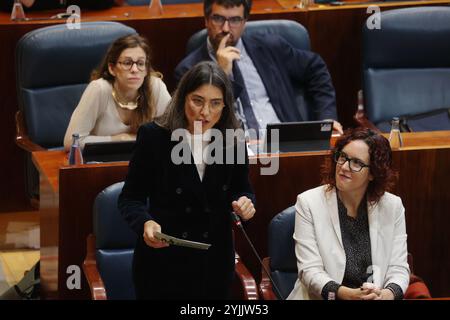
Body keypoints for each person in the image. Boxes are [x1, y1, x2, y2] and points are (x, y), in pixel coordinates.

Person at [118, 61, 256, 299]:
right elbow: (130, 198)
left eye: (216, 103)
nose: (205, 113)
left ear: (225, 105)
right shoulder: (155, 136)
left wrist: (245, 204)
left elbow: (242, 190)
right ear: (183, 97)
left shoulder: (233, 138)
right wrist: (145, 223)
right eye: (197, 101)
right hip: (164, 263)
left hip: (214, 263)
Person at [174, 0, 343, 136]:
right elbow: (197, 128)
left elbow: (316, 68)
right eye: (218, 19)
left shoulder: (271, 47)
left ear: (245, 22)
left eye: (234, 20)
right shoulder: (188, 70)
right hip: (232, 155)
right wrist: (221, 74)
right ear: (206, 20)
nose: (226, 28)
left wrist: (327, 118)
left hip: (286, 144)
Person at [287, 127, 410, 300]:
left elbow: (398, 268)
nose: (344, 167)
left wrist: (387, 295)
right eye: (343, 157)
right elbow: (309, 271)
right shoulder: (309, 203)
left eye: (357, 163)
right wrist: (347, 295)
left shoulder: (393, 206)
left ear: (373, 173)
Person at [64, 34, 171, 150]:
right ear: (112, 68)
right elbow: (71, 142)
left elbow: (176, 133)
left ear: (146, 69)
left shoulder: (155, 87)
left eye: (140, 64)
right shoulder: (99, 89)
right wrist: (119, 139)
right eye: (127, 63)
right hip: (100, 163)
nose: (134, 70)